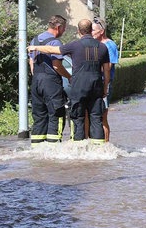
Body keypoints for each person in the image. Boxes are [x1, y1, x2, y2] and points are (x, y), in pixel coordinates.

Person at [28, 19, 110, 142]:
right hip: (96, 86)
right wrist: (105, 88)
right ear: (91, 31)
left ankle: (78, 147)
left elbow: (52, 50)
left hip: (79, 87)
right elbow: (107, 70)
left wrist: (35, 47)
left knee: (78, 117)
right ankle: (99, 149)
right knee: (96, 118)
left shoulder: (74, 45)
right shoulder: (103, 47)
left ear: (79, 31)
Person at [28, 15, 70, 144]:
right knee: (56, 113)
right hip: (50, 82)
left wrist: (37, 78)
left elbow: (31, 63)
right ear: (58, 27)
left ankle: (37, 148)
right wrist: (69, 77)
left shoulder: (34, 40)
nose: (63, 31)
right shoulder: (55, 43)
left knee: (39, 115)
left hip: (36, 81)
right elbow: (57, 65)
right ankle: (54, 148)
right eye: (64, 29)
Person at [92, 19, 119, 142]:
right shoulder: (93, 45)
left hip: (104, 84)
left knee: (103, 116)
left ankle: (106, 144)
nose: (91, 32)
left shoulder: (110, 45)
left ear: (101, 31)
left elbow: (109, 66)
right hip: (94, 83)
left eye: (93, 30)